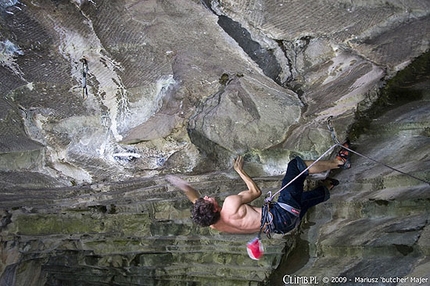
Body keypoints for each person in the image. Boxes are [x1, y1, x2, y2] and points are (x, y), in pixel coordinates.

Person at [166, 141, 351, 235]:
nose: (207, 196)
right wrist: (240, 171)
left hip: (283, 227)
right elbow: (256, 192)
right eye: (208, 200)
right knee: (295, 166)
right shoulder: (230, 205)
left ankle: (327, 187)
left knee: (300, 202)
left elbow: (196, 200)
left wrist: (182, 185)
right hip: (282, 213)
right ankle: (339, 162)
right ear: (214, 208)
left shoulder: (214, 225)